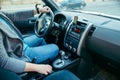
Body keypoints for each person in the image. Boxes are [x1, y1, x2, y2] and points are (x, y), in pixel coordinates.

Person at [0, 1, 59, 75]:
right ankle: (41, 66)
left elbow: (15, 15)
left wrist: (38, 10)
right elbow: (4, 62)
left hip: (18, 45)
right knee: (55, 48)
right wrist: (37, 67)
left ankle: (45, 60)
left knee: (40, 38)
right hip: (19, 55)